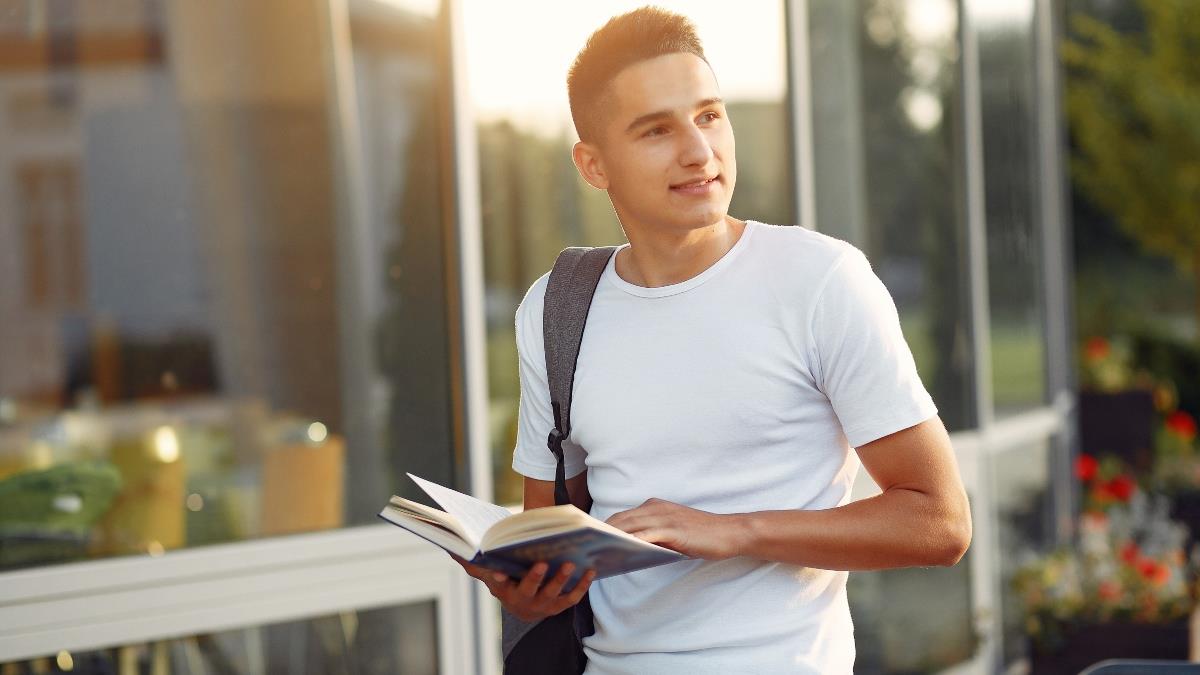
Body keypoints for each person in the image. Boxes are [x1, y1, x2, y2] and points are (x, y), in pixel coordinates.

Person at [451, 6, 972, 673]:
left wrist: (733, 530)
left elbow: (940, 522)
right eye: (656, 130)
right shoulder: (556, 308)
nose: (699, 150)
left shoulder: (818, 281)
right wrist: (522, 580)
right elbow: (552, 536)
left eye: (708, 115)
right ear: (593, 164)